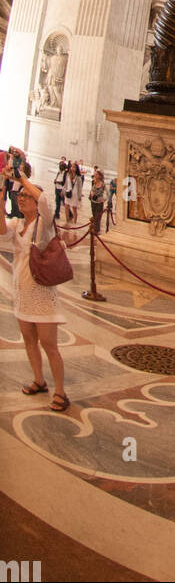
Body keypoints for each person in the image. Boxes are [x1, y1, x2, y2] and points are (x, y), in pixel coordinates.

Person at [0, 149, 69, 412]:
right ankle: (39, 380)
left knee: (49, 345)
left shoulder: (44, 224)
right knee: (28, 340)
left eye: (25, 196)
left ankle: (61, 392)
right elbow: (1, 232)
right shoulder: (18, 224)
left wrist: (21, 179)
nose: (21, 199)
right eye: (19, 197)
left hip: (42, 295)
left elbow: (44, 202)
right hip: (23, 293)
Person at [89, 168, 106, 235]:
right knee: (94, 214)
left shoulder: (103, 184)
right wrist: (91, 193)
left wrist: (103, 199)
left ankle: (96, 230)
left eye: (96, 174)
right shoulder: (93, 182)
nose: (94, 175)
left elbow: (106, 193)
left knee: (97, 216)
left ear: (99, 176)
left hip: (99, 202)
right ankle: (95, 228)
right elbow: (91, 189)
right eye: (95, 174)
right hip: (93, 201)